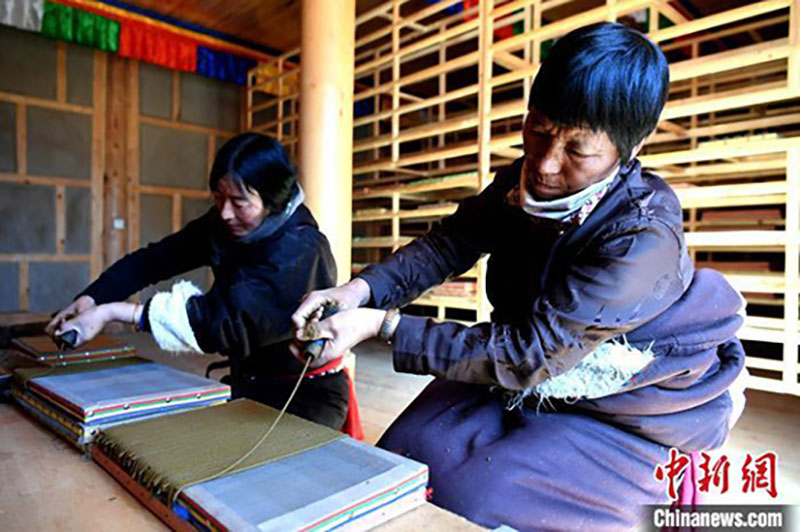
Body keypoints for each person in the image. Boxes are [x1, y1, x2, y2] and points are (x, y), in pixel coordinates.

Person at [292, 22, 748, 530]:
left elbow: (531, 354)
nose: (546, 164)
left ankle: (657, 488)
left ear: (630, 149)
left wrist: (383, 327)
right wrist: (358, 291)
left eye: (577, 150)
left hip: (622, 396)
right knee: (407, 457)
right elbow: (451, 242)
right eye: (539, 129)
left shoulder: (643, 237)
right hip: (526, 356)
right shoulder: (522, 179)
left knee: (476, 494)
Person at [48, 133, 356, 432]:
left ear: (273, 201)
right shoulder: (224, 225)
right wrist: (92, 298)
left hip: (303, 395)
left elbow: (219, 323)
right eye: (219, 198)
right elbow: (155, 259)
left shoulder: (301, 249)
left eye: (239, 202)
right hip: (249, 381)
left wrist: (112, 312)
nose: (225, 213)